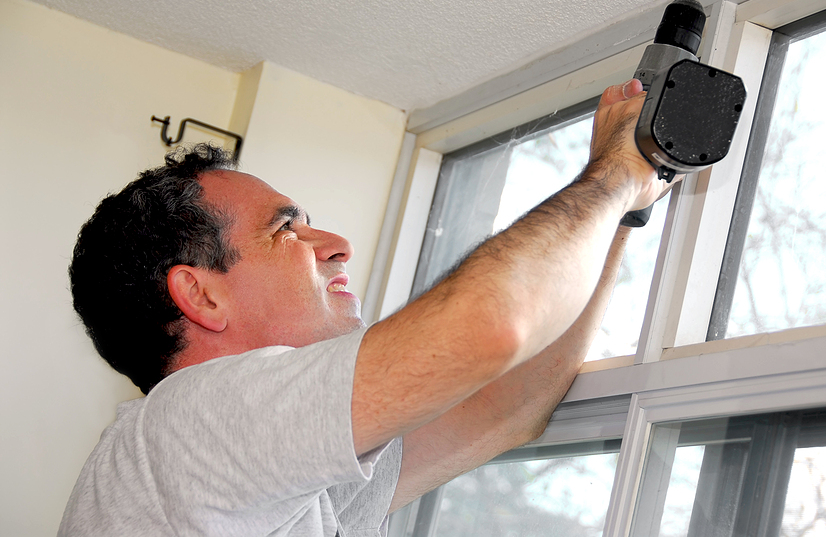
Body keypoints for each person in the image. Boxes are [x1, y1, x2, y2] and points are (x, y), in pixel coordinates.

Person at [59, 79, 667, 536]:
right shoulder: (187, 429)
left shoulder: (275, 474)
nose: (338, 245)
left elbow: (509, 409)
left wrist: (623, 207)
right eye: (285, 231)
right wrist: (612, 177)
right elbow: (494, 325)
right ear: (201, 295)